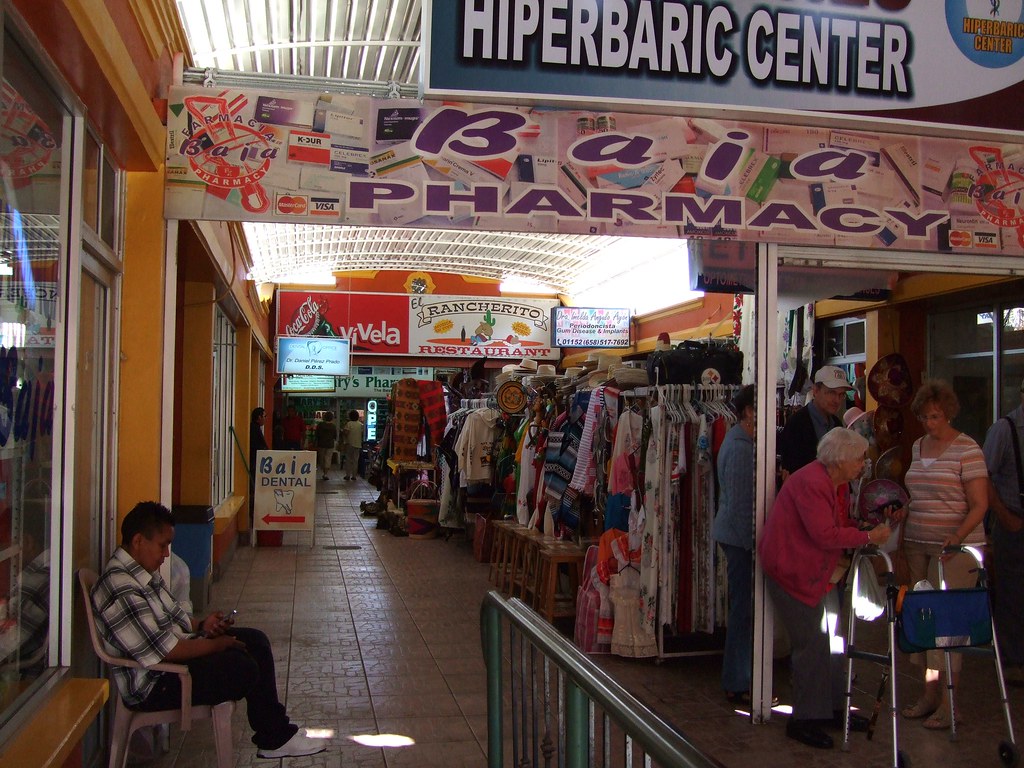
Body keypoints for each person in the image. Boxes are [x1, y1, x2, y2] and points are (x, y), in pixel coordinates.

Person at [91, 501, 325, 759]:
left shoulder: (141, 572)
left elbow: (174, 617)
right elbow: (168, 651)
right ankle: (274, 735)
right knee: (243, 667)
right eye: (163, 545)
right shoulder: (121, 588)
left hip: (171, 660)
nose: (167, 554)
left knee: (255, 642)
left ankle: (275, 736)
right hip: (156, 684)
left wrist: (204, 627)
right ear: (138, 541)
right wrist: (216, 645)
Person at [759, 427, 895, 750]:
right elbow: (824, 534)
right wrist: (867, 537)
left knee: (833, 642)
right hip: (791, 571)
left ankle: (832, 710)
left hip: (815, 572)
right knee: (813, 644)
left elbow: (836, 527)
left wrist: (862, 528)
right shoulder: (813, 482)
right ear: (840, 459)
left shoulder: (835, 484)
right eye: (859, 458)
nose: (863, 464)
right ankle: (804, 719)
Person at [900, 380, 988, 730]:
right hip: (919, 542)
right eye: (923, 417)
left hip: (953, 550)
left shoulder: (967, 449)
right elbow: (915, 495)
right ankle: (929, 694)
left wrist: (957, 537)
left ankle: (951, 703)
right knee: (923, 625)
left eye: (935, 416)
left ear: (948, 413)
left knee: (948, 627)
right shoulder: (918, 446)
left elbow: (980, 504)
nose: (929, 423)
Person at [712, 384, 756, 704]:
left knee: (742, 608)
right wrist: (752, 543)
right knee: (742, 610)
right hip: (739, 539)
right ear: (749, 411)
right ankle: (737, 679)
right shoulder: (741, 446)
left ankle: (739, 676)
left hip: (735, 536)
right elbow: (741, 503)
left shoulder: (738, 440)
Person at [983, 377, 1024, 688]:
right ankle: (1011, 661)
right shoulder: (1005, 429)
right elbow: (981, 478)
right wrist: (1004, 517)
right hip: (1014, 522)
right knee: (1012, 593)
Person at [779, 365, 854, 480]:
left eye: (841, 394)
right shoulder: (797, 424)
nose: (837, 400)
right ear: (815, 391)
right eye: (831, 393)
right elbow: (792, 473)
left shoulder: (837, 424)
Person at [248, 407, 269, 520]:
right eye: (264, 416)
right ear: (259, 417)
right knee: (253, 489)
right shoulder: (254, 429)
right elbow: (258, 447)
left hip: (256, 462)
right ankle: (253, 514)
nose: (266, 419)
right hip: (254, 463)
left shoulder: (257, 428)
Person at [315, 411, 338, 482]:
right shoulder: (333, 426)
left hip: (321, 444)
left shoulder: (320, 425)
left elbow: (317, 434)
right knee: (328, 458)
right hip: (330, 444)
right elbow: (335, 436)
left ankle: (323, 469)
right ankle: (325, 473)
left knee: (322, 458)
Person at [342, 410, 363, 481]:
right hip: (358, 444)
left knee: (348, 460)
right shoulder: (360, 425)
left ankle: (347, 475)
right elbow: (362, 434)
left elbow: (346, 433)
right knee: (355, 460)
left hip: (349, 444)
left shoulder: (349, 424)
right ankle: (354, 475)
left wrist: (343, 432)